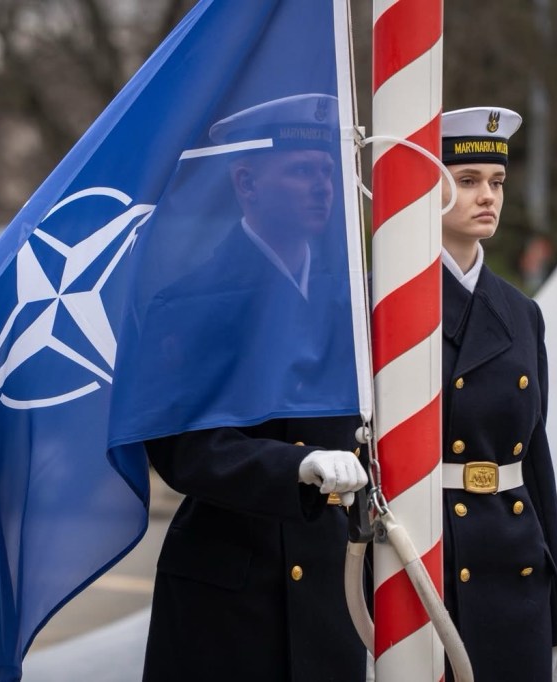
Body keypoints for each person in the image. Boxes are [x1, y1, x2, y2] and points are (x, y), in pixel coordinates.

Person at [139, 94, 370, 682]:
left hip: (330, 584)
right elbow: (183, 450)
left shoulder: (356, 304)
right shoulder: (190, 303)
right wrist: (295, 465)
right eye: (300, 171)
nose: (321, 187)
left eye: (326, 172)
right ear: (247, 182)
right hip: (229, 597)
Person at [438, 107, 557, 681]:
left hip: (516, 563)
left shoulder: (522, 313)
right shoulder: (388, 307)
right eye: (467, 181)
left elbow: (535, 459)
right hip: (435, 560)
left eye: (495, 182)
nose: (487, 196)